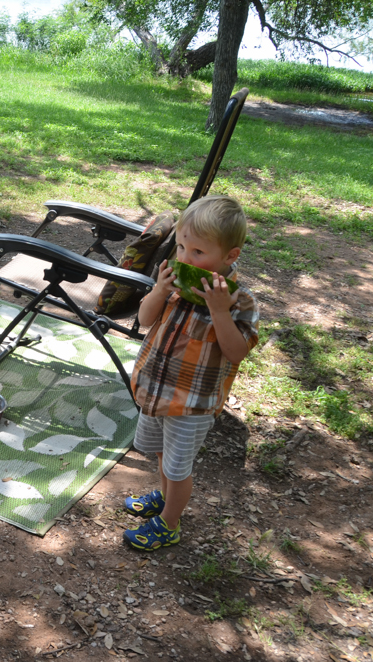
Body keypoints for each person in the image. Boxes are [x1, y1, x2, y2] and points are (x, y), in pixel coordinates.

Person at [122, 195, 260, 551]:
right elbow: (145, 319)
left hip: (192, 404)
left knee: (179, 467)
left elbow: (236, 351)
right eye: (181, 246)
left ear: (231, 256)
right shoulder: (175, 279)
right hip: (156, 390)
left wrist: (220, 312)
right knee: (161, 455)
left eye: (198, 252)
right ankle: (165, 498)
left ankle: (170, 523)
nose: (184, 258)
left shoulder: (238, 300)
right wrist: (158, 290)